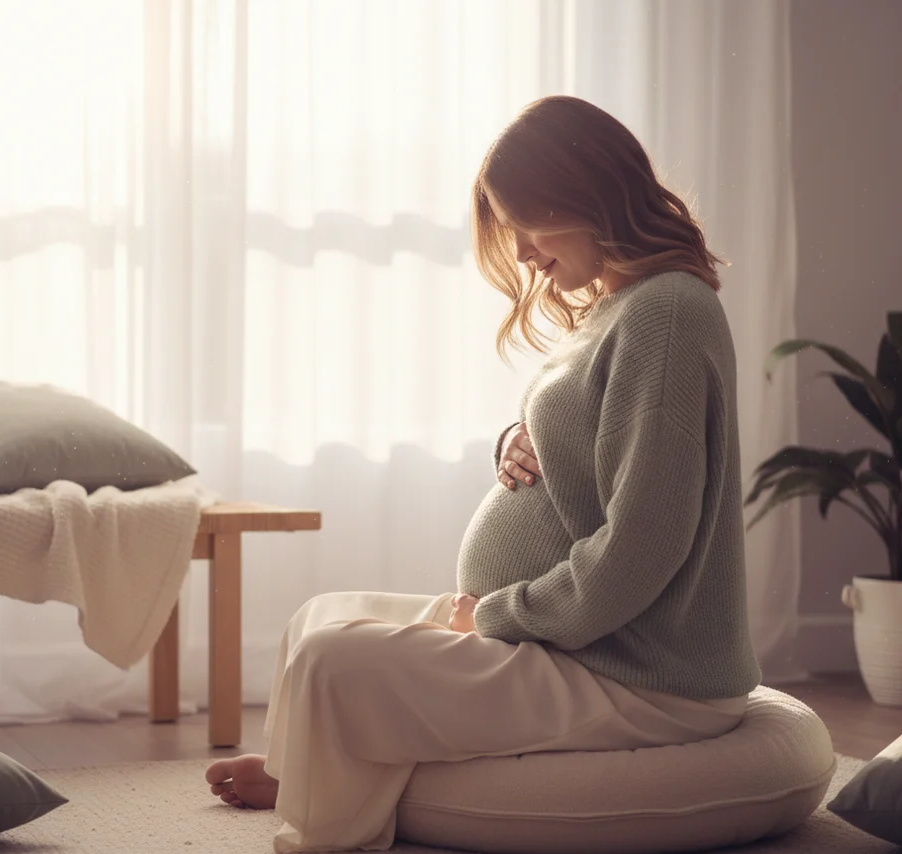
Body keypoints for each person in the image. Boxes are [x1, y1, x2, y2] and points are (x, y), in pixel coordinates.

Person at [205, 95, 762, 854]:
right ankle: (300, 773)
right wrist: (515, 438)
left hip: (638, 673)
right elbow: (589, 446)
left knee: (335, 663)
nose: (525, 253)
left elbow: (646, 541)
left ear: (586, 200)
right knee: (322, 617)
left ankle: (324, 824)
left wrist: (503, 615)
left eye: (529, 224)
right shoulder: (618, 307)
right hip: (573, 645)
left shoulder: (665, 311)